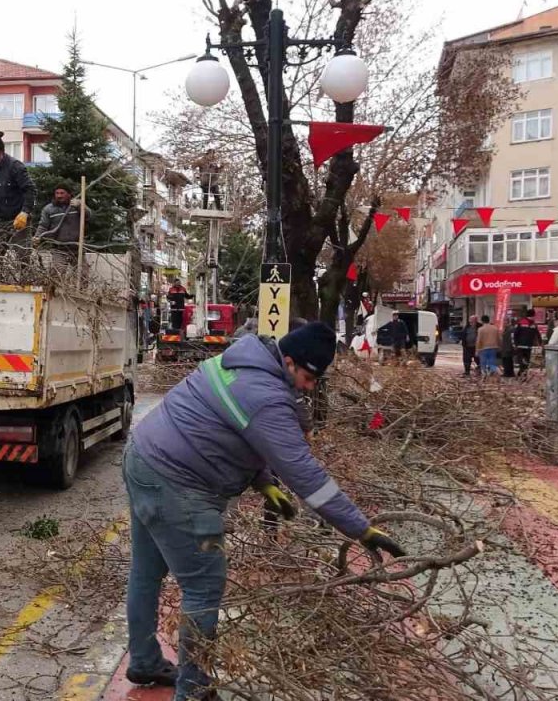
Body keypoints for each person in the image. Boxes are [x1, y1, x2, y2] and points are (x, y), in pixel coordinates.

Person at [122, 323, 405, 699]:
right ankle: (194, 691)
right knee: (204, 586)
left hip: (143, 460)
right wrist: (360, 528)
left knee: (146, 573)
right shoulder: (267, 398)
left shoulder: (243, 360)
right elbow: (306, 475)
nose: (307, 387)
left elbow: (230, 425)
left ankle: (143, 660)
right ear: (288, 362)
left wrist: (262, 480)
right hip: (179, 486)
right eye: (306, 377)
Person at [36, 184, 90, 265]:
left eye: (62, 193)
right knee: (58, 274)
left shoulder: (77, 205)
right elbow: (43, 226)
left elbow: (88, 216)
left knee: (83, 275)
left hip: (77, 248)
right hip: (58, 249)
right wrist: (37, 237)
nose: (59, 196)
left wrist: (81, 206)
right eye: (57, 193)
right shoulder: (48, 209)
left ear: (69, 194)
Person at [512, 310, 541, 377]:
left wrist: (515, 344)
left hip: (524, 346)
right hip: (524, 346)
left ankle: (521, 374)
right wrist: (540, 343)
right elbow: (537, 334)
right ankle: (523, 375)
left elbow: (515, 334)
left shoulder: (523, 322)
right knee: (524, 361)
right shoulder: (530, 324)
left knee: (524, 361)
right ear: (533, 316)